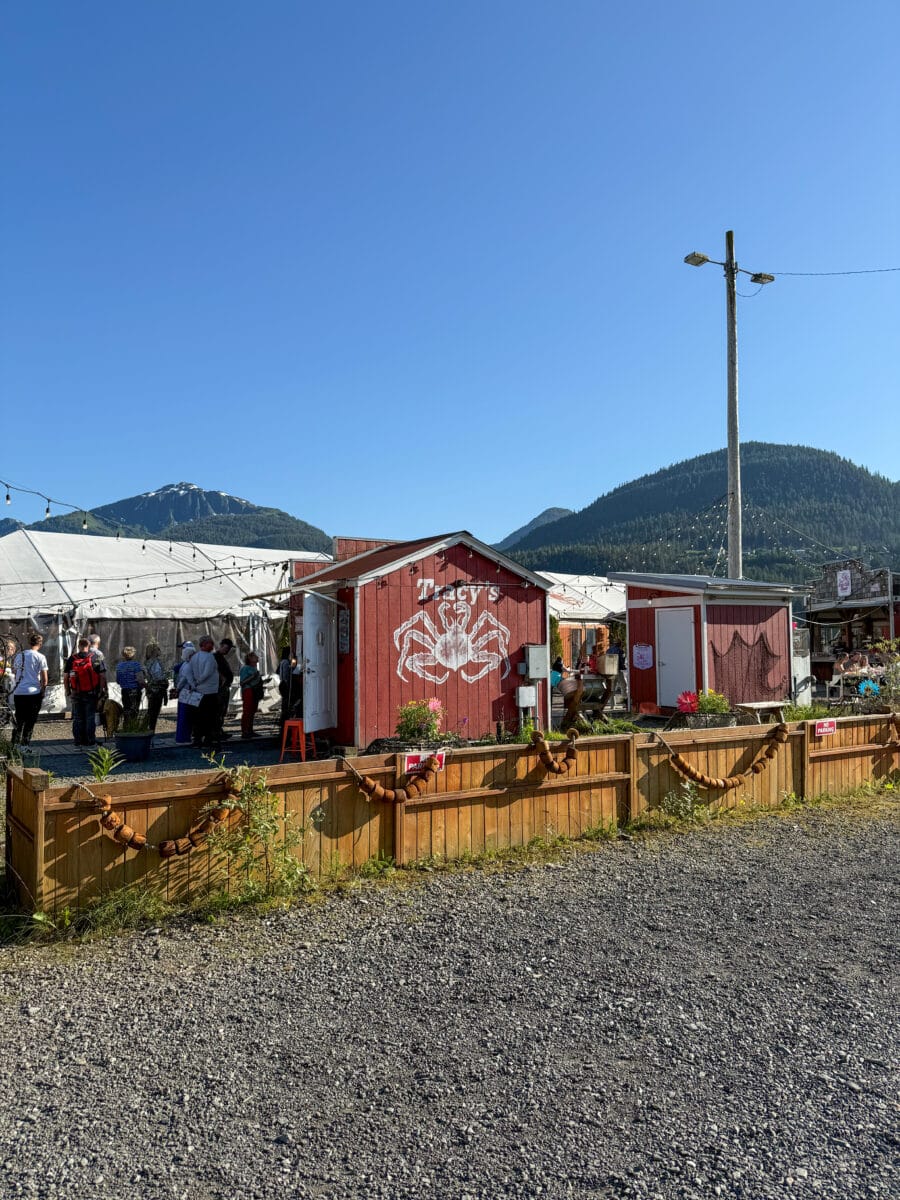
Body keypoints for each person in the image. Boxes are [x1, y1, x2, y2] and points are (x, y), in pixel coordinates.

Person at [65, 636, 107, 747]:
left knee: (78, 718)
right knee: (90, 717)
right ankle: (90, 742)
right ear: (89, 646)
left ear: (79, 646)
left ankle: (78, 742)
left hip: (76, 692)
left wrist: (68, 690)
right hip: (91, 692)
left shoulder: (72, 659)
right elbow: (102, 676)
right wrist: (101, 690)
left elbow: (66, 676)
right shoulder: (95, 658)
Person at [11, 633, 48, 746]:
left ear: (29, 642)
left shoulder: (19, 655)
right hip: (33, 692)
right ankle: (25, 744)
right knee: (30, 721)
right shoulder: (40, 657)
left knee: (19, 719)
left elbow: (14, 671)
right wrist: (42, 691)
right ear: (40, 644)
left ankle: (14, 744)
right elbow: (44, 679)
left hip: (19, 691)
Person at [190, 636, 221, 749]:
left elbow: (191, 670)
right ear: (203, 644)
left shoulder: (195, 657)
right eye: (210, 643)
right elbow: (207, 672)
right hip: (209, 691)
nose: (212, 646)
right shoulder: (209, 657)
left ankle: (197, 739)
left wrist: (194, 683)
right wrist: (198, 681)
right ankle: (208, 739)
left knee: (198, 716)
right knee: (210, 717)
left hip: (198, 690)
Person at [173, 642, 197, 744]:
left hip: (184, 692)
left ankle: (182, 736)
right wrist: (195, 686)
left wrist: (178, 689)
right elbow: (188, 679)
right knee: (187, 716)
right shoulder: (189, 666)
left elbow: (181, 679)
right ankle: (184, 737)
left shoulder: (184, 665)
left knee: (183, 715)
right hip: (188, 692)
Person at [142, 641, 169, 732]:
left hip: (152, 689)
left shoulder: (148, 662)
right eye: (158, 649)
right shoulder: (154, 663)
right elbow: (158, 676)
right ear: (154, 651)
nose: (160, 651)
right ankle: (150, 730)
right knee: (154, 711)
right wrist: (165, 677)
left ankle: (148, 728)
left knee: (152, 710)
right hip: (156, 689)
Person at [239, 651, 265, 738]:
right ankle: (245, 731)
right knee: (247, 711)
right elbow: (242, 682)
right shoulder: (245, 668)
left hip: (255, 691)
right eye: (255, 656)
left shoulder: (254, 669)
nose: (257, 658)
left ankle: (250, 730)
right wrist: (252, 677)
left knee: (252, 711)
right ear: (250, 658)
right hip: (248, 690)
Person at [214, 638, 235, 740]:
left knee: (222, 711)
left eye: (229, 649)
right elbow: (214, 669)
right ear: (221, 646)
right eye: (226, 648)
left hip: (225, 687)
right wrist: (222, 678)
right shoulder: (215, 657)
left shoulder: (221, 657)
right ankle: (216, 732)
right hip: (220, 688)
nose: (227, 650)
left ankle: (219, 730)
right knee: (219, 710)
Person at [115, 646, 145, 720]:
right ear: (133, 654)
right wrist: (145, 686)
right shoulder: (136, 665)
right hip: (135, 690)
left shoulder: (119, 666)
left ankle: (126, 726)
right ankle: (133, 726)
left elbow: (118, 681)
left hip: (124, 690)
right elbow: (140, 679)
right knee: (134, 710)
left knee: (126, 709)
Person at [277, 647, 292, 726]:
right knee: (286, 702)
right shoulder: (286, 662)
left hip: (282, 682)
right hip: (285, 683)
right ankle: (283, 719)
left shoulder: (282, 661)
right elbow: (286, 674)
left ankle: (282, 718)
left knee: (284, 701)